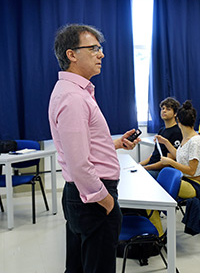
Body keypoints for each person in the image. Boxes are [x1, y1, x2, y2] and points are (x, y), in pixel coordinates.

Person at [49, 24, 139, 273]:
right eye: (94, 49)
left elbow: (80, 147)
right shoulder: (74, 98)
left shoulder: (73, 92)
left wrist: (117, 143)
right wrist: (105, 200)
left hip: (83, 195)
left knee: (79, 267)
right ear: (72, 54)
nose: (101, 54)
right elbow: (79, 164)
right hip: (91, 197)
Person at [150, 101, 200, 235]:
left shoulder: (195, 141)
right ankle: (157, 232)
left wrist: (170, 161)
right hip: (183, 180)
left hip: (192, 185)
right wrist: (165, 142)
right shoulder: (187, 138)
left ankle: (159, 234)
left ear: (178, 120)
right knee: (152, 191)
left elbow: (191, 170)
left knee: (153, 191)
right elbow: (179, 155)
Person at [140, 97, 182, 179]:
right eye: (163, 108)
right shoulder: (161, 130)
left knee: (138, 176)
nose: (164, 111)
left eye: (168, 109)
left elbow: (168, 162)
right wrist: (139, 164)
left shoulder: (177, 132)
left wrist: (146, 168)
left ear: (175, 114)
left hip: (162, 170)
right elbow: (154, 155)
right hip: (153, 167)